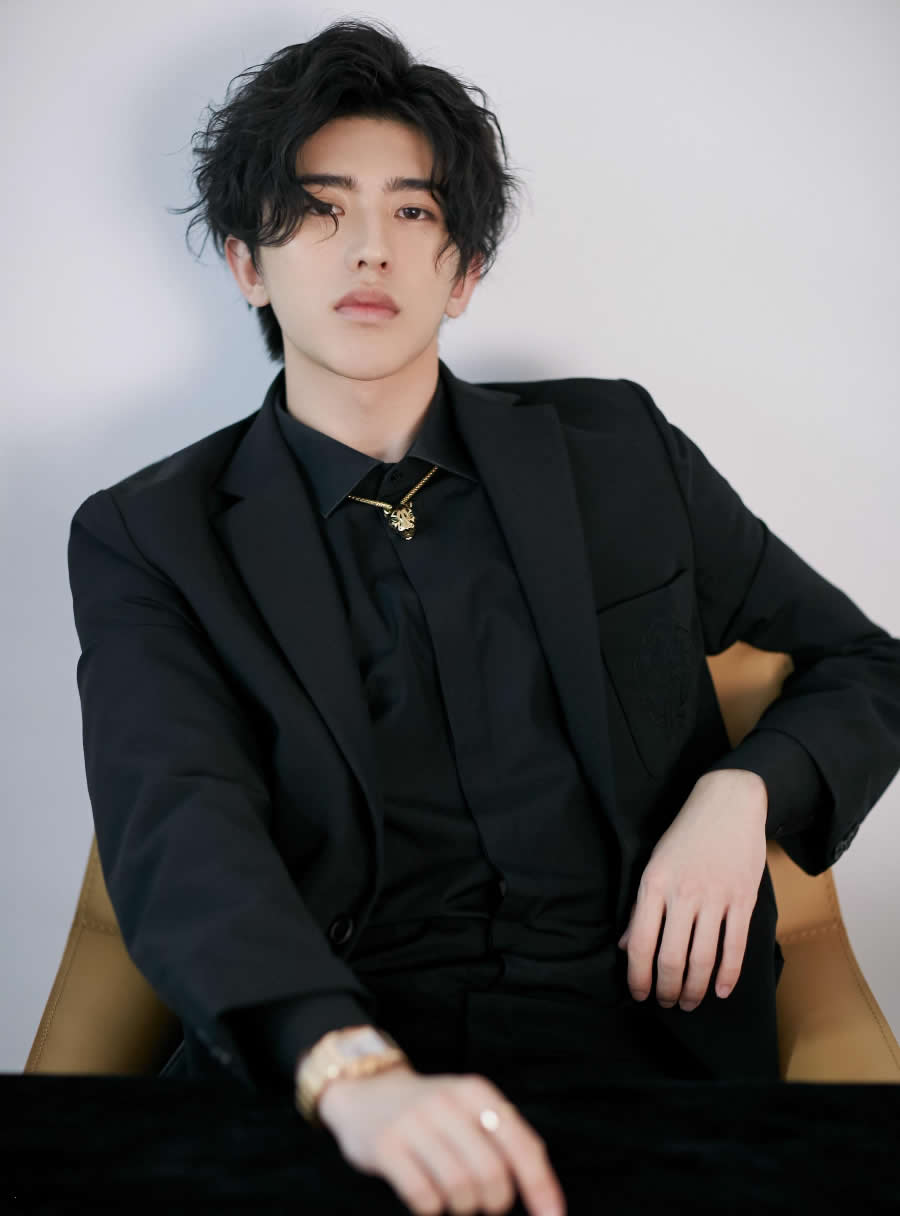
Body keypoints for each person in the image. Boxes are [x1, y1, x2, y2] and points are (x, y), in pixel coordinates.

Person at [67, 17, 900, 1216]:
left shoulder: (616, 451)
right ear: (248, 263)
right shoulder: (152, 535)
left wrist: (746, 788)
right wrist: (347, 1070)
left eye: (413, 211)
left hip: (639, 1051)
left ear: (463, 272)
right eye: (319, 208)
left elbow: (866, 664)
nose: (370, 246)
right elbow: (178, 827)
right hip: (335, 1069)